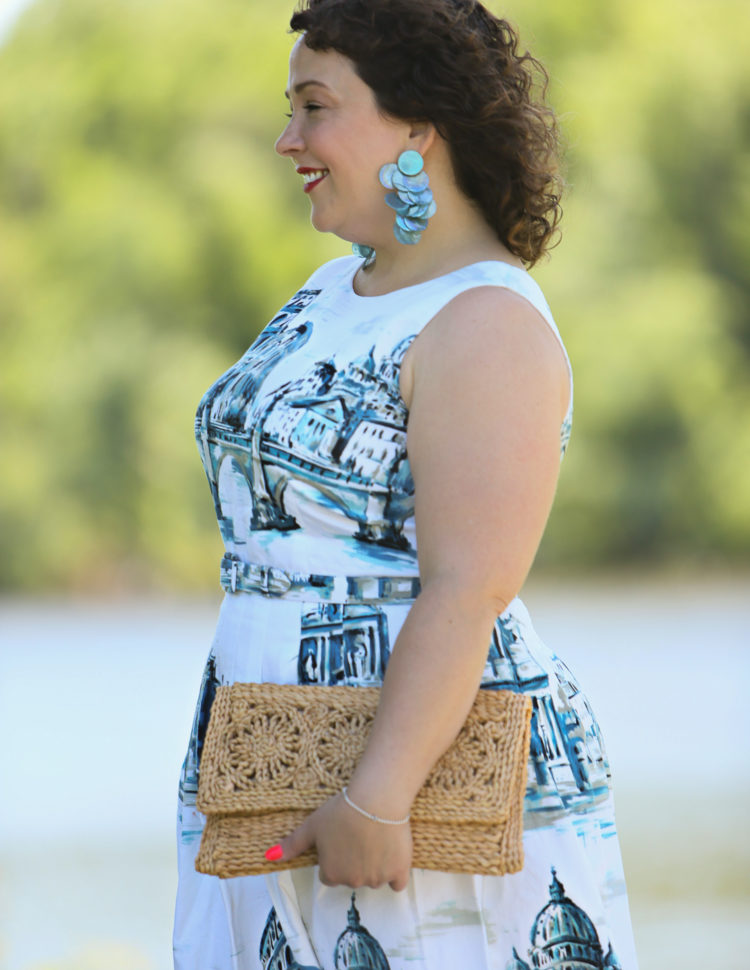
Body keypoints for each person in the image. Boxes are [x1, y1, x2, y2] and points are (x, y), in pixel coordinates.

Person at [174, 1, 639, 968]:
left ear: (418, 128)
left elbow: (470, 586)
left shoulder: (487, 322)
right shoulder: (330, 288)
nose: (286, 138)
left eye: (314, 108)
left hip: (415, 782)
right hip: (269, 750)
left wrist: (375, 799)